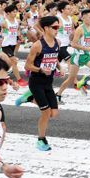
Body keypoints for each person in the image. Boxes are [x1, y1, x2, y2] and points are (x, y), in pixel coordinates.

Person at [24, 16, 61, 151]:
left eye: (58, 27)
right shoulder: (38, 45)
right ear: (46, 28)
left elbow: (55, 57)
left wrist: (59, 68)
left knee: (54, 113)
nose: (57, 30)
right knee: (45, 112)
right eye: (55, 27)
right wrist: (40, 69)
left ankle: (29, 98)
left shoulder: (58, 42)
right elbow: (28, 65)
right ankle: (41, 139)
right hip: (36, 82)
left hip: (48, 83)